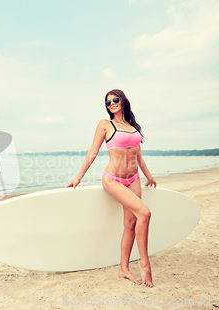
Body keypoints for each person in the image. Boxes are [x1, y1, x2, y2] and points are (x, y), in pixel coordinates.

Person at [65, 89, 156, 288]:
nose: (112, 104)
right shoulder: (105, 124)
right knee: (145, 213)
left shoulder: (132, 127)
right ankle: (144, 263)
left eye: (115, 100)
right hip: (113, 179)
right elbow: (93, 151)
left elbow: (138, 156)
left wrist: (148, 176)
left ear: (123, 101)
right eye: (108, 102)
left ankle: (123, 269)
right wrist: (78, 178)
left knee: (130, 223)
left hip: (134, 179)